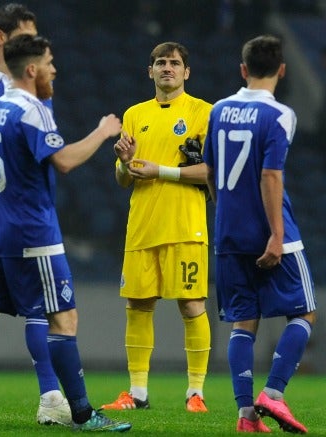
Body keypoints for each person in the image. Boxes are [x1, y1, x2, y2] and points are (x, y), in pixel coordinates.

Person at [0, 34, 131, 432]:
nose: (54, 70)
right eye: (49, 63)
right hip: (35, 235)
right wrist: (103, 132)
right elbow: (64, 161)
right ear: (32, 69)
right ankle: (83, 414)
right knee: (64, 319)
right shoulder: (32, 109)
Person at [0, 3, 69, 425]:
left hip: (5, 218)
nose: (37, 48)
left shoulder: (33, 88)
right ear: (3, 38)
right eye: (27, 36)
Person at [203, 34, 316, 434]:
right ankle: (274, 394)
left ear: (243, 69)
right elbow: (271, 174)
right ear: (282, 70)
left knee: (242, 323)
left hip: (228, 232)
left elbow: (213, 175)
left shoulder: (217, 110)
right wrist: (275, 235)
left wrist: (229, 217)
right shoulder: (280, 115)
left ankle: (246, 415)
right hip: (269, 231)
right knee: (303, 312)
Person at [104, 41, 212, 413]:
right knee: (138, 303)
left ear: (186, 72)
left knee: (192, 304)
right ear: (149, 71)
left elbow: (210, 172)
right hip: (142, 224)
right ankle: (137, 393)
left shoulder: (203, 113)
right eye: (161, 63)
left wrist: (159, 170)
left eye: (175, 63)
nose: (168, 68)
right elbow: (124, 179)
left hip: (184, 224)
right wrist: (124, 162)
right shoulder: (134, 114)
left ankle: (195, 392)